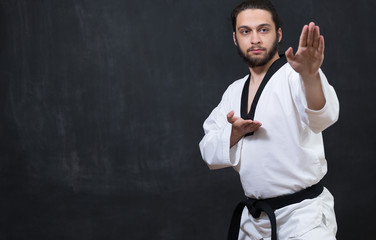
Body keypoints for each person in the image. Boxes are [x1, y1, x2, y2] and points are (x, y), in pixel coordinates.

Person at [198, 0, 339, 239]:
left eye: (263, 29)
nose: (254, 39)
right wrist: (235, 133)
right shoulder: (233, 91)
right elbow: (208, 151)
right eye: (245, 31)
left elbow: (323, 117)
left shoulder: (297, 75)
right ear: (235, 38)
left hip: (304, 219)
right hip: (255, 223)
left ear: (279, 34)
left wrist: (311, 76)